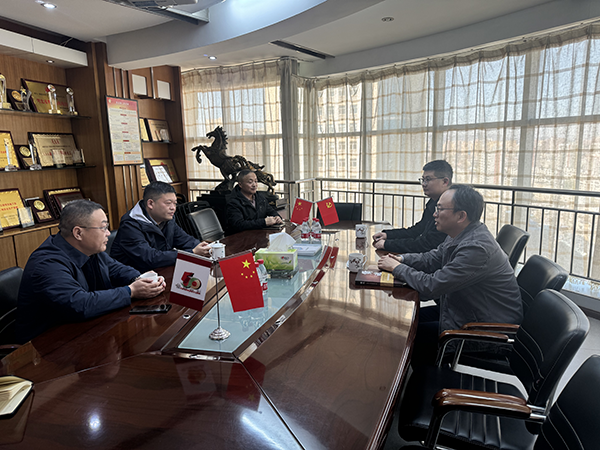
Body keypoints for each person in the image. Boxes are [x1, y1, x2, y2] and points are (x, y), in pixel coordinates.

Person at [378, 184, 522, 365]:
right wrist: (401, 259)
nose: (434, 214)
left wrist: (397, 268)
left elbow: (432, 286)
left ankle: (420, 380)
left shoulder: (476, 248)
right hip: (462, 311)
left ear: (461, 216)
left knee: (406, 335)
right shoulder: (460, 234)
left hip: (484, 331)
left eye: (440, 209)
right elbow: (431, 258)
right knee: (403, 323)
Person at [16, 200, 165, 343]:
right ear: (78, 233)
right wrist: (130, 291)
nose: (108, 233)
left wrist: (143, 280)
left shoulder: (91, 250)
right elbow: (79, 304)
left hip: (85, 331)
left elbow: (117, 269)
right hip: (47, 345)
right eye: (103, 228)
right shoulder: (47, 263)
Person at [111, 181, 211, 272]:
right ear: (150, 203)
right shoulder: (130, 225)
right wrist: (192, 253)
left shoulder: (167, 219)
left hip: (160, 271)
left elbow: (184, 240)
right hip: (135, 278)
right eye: (168, 203)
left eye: (175, 203)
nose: (173, 208)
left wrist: (204, 248)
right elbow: (150, 258)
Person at [373, 160, 453, 253]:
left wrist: (387, 244)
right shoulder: (433, 201)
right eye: (423, 180)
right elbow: (417, 230)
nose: (423, 184)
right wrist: (388, 235)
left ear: (445, 181)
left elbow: (427, 244)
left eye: (428, 179)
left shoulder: (451, 207)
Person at [227, 169, 283, 234]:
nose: (254, 185)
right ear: (240, 184)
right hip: (241, 237)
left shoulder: (260, 197)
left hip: (259, 235)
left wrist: (277, 217)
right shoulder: (233, 202)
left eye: (256, 181)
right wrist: (264, 222)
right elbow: (239, 225)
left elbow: (271, 211)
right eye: (250, 182)